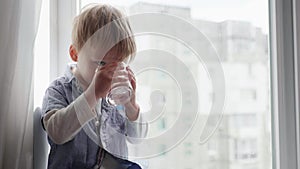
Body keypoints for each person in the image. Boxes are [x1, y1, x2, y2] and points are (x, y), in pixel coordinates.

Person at [41, 3, 148, 169]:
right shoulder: (59, 90)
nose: (109, 73)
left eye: (118, 64)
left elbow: (137, 138)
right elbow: (58, 133)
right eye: (101, 63)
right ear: (75, 54)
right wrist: (93, 94)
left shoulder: (117, 97)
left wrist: (131, 106)